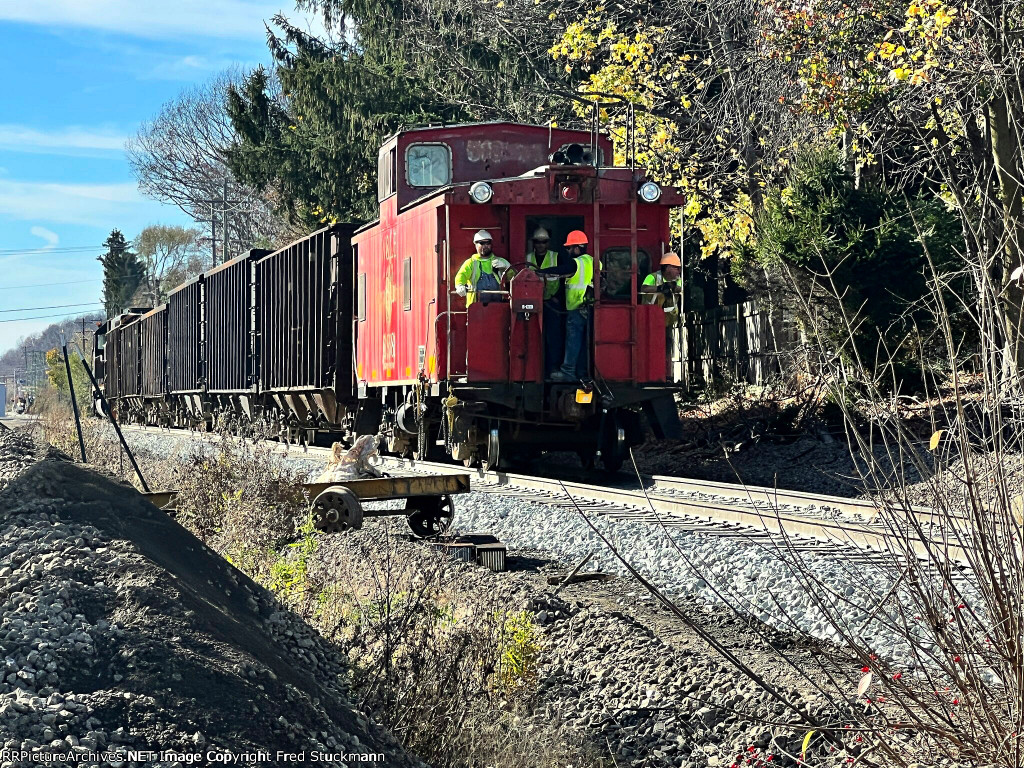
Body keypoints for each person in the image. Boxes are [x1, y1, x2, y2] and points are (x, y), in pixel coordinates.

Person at [539, 230, 594, 382]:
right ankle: (581, 372)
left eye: (569, 248)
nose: (568, 251)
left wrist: (540, 272)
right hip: (588, 308)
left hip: (576, 309)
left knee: (573, 341)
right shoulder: (593, 261)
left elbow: (562, 270)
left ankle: (568, 372)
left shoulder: (576, 262)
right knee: (585, 343)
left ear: (577, 247)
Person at [526, 227, 568, 376]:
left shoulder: (557, 257)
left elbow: (565, 280)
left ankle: (553, 368)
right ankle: (533, 370)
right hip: (532, 304)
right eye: (537, 242)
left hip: (552, 303)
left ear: (548, 243)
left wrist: (558, 298)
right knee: (532, 336)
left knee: (553, 337)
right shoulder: (527, 258)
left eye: (543, 242)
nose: (540, 245)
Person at [641, 252, 682, 380]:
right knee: (650, 347)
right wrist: (660, 289)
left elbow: (679, 289)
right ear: (668, 267)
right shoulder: (652, 277)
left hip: (667, 321)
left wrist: (672, 287)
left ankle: (667, 375)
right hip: (650, 320)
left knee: (667, 348)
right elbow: (644, 288)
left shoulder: (677, 280)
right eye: (676, 268)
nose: (678, 271)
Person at [455, 230, 512, 306]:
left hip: (499, 307)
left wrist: (506, 268)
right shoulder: (471, 263)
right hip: (476, 308)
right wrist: (460, 286)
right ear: (475, 245)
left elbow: (513, 278)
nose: (485, 246)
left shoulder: (501, 262)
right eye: (482, 243)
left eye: (488, 243)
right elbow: (461, 275)